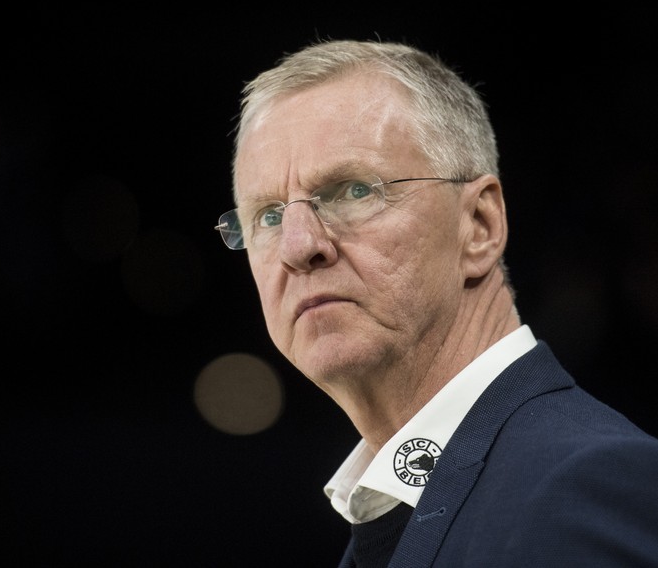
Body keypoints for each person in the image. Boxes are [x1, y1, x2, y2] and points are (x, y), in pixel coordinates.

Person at [214, 38, 658, 567]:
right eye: (268, 216)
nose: (297, 246)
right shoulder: (398, 513)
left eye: (353, 191)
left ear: (479, 226)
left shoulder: (584, 484)